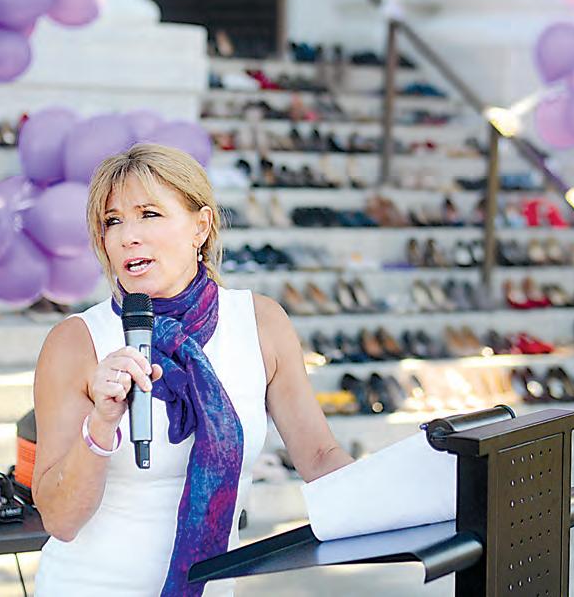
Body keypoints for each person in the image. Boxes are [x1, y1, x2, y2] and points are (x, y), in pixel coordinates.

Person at [32, 144, 354, 596]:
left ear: (200, 226)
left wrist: (408, 499)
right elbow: (59, 520)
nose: (127, 236)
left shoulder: (260, 323)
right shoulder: (75, 341)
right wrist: (101, 424)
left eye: (148, 214)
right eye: (112, 221)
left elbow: (320, 457)